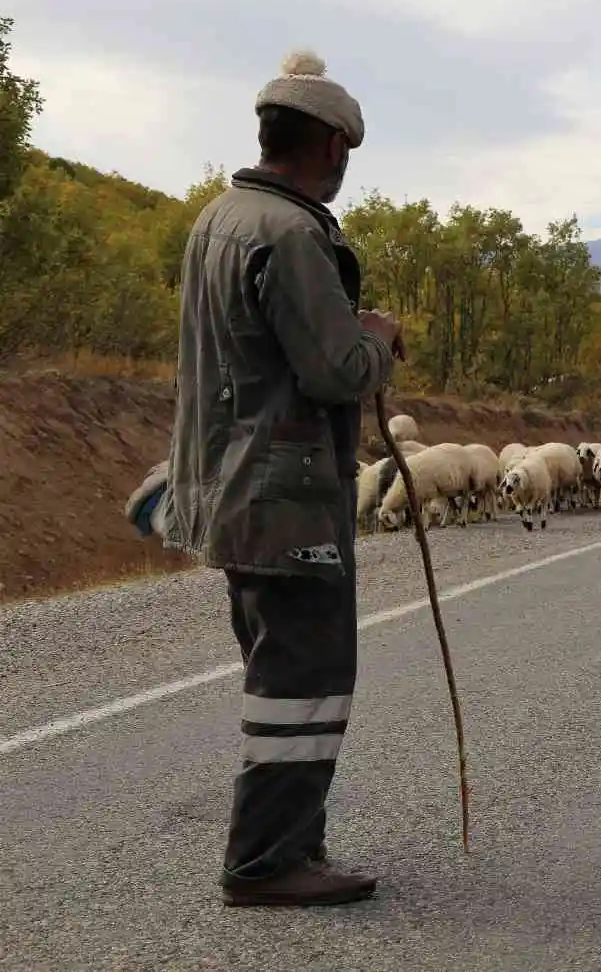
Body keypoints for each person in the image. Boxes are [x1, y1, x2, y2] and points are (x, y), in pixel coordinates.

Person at [126, 50, 401, 907]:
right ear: (325, 142)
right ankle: (267, 863)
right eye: (345, 147)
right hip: (287, 502)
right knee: (305, 680)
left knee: (278, 668)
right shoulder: (290, 233)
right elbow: (334, 370)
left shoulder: (219, 218)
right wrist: (380, 340)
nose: (345, 163)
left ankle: (286, 845)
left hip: (227, 490)